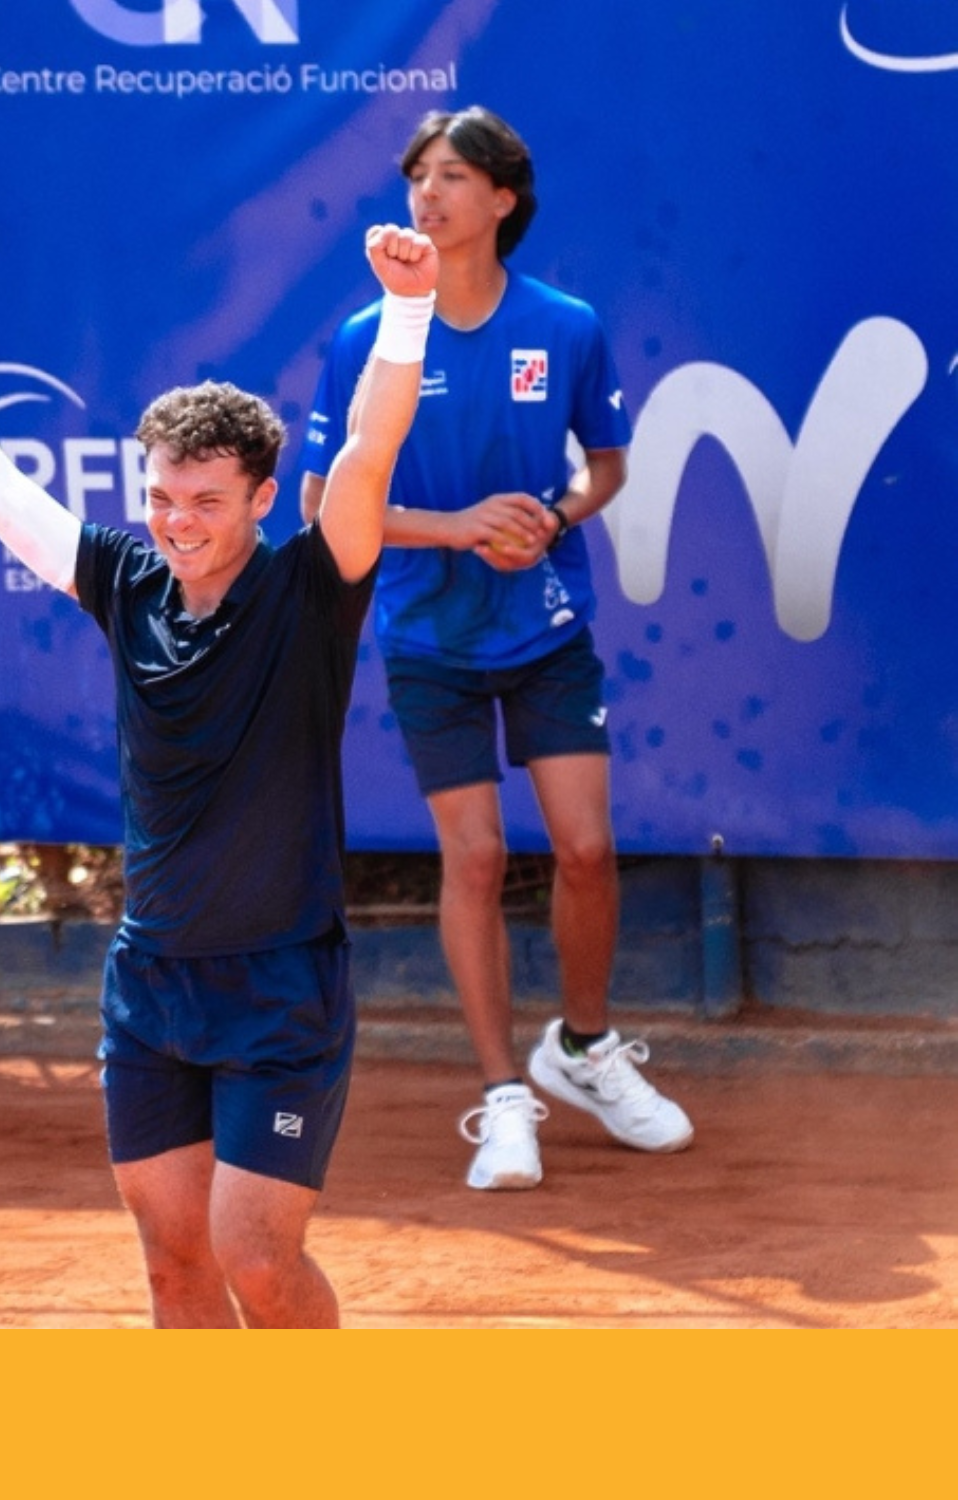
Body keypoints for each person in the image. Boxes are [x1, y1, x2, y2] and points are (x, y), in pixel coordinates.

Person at [0, 225, 438, 1326]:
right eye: (161, 497)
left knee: (255, 1256)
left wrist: (408, 309)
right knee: (171, 1265)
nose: (177, 523)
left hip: (279, 988)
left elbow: (373, 453)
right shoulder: (124, 577)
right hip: (150, 987)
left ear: (259, 497)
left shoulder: (313, 585)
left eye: (205, 502)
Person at [297, 106, 692, 1192]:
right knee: (471, 857)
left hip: (545, 625)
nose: (426, 194)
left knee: (583, 851)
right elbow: (326, 502)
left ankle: (578, 1048)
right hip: (425, 631)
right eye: (416, 176)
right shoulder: (362, 340)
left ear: (500, 201)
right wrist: (458, 524)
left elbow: (602, 467)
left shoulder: (564, 326)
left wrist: (548, 521)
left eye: (452, 176)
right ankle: (499, 1097)